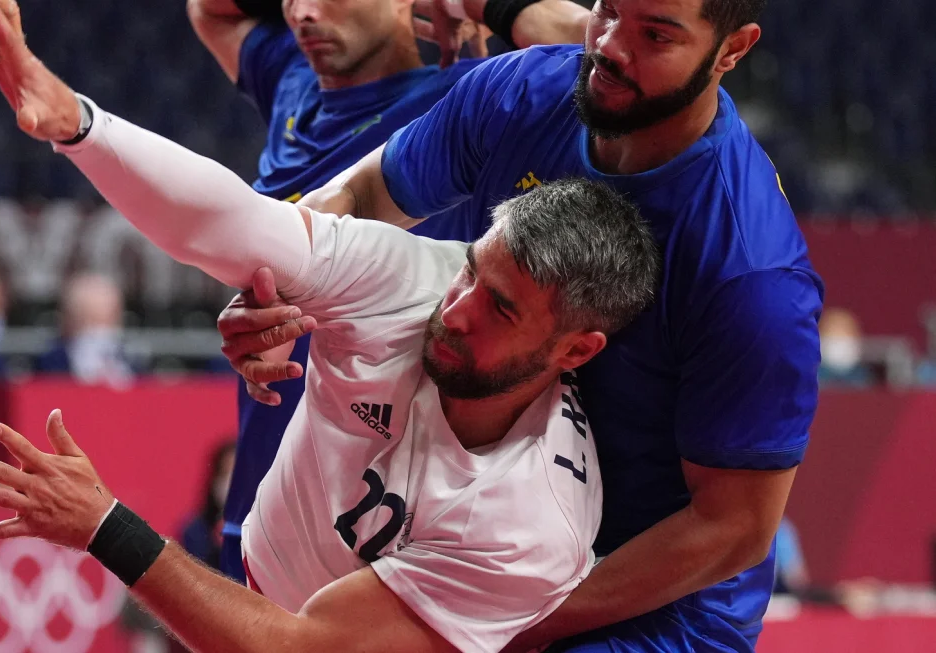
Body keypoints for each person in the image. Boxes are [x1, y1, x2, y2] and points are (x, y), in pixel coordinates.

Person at [0, 2, 658, 650]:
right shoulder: (415, 277)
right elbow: (233, 225)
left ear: (575, 350)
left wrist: (103, 524)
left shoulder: (529, 524)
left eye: (499, 307)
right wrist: (78, 123)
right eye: (471, 270)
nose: (457, 305)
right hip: (262, 553)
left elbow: (294, 647)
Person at [218, 0, 825, 651]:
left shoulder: (749, 275)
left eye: (655, 34)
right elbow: (361, 195)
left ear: (731, 51)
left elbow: (731, 528)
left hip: (646, 607)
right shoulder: (523, 92)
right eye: (608, 10)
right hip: (490, 537)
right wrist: (282, 282)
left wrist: (504, 624)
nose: (612, 46)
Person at [188, 0, 591, 582]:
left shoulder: (471, 99)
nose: (301, 12)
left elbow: (614, 52)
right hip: (262, 507)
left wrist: (491, 6)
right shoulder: (294, 83)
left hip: (384, 525)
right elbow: (210, 9)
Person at [34, 273, 137, 387]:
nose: (99, 331)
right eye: (91, 318)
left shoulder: (132, 361)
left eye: (107, 318)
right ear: (70, 318)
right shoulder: (51, 362)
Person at [181, 441, 237, 570]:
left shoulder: (263, 529)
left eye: (236, 474)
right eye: (225, 473)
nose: (231, 483)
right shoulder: (196, 531)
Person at [817, 307, 873, 388]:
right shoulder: (809, 379)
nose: (840, 345)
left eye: (845, 336)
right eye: (834, 338)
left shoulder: (865, 378)